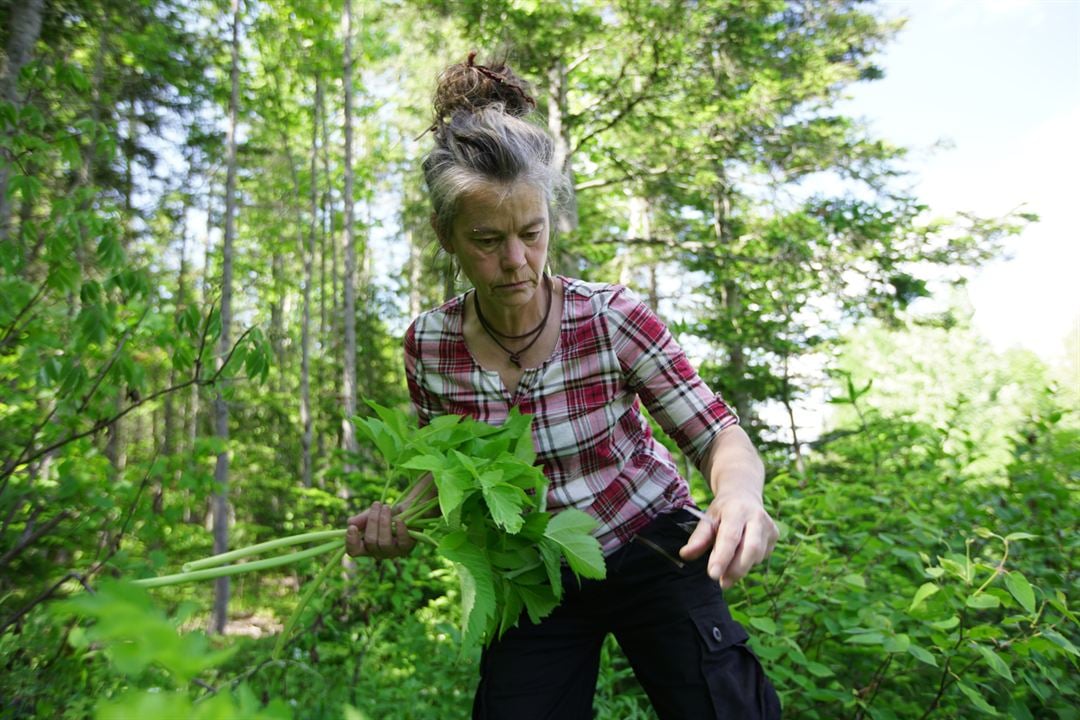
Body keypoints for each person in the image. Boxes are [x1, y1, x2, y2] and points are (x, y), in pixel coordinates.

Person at [345, 53, 782, 719]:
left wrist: (742, 494)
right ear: (448, 237)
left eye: (531, 233)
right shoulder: (429, 347)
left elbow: (717, 433)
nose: (515, 261)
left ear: (550, 219)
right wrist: (399, 521)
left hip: (653, 539)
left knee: (727, 706)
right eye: (488, 240)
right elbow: (453, 471)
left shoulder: (611, 319)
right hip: (533, 569)